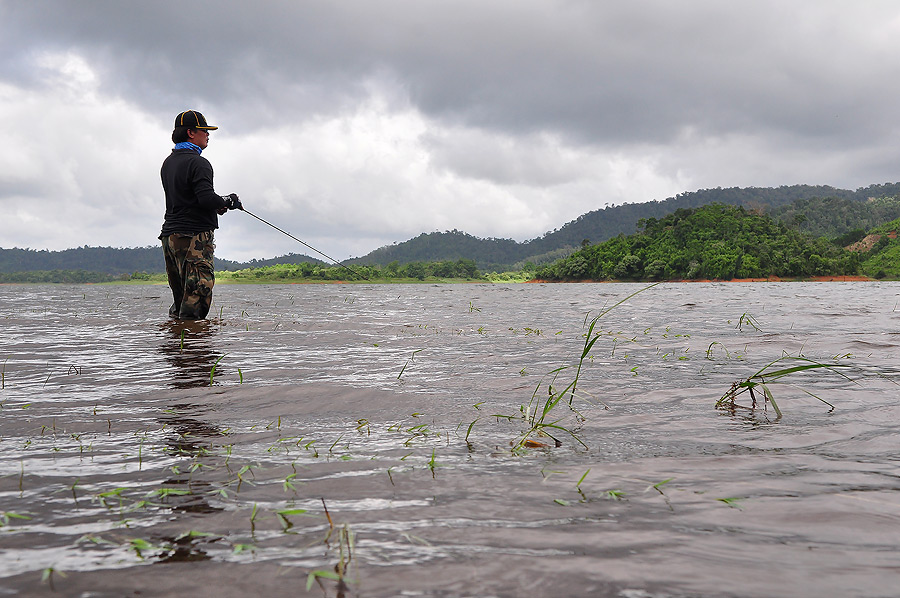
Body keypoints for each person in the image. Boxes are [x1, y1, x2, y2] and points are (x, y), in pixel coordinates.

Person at [159, 110, 242, 320]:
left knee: (180, 301)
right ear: (190, 133)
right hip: (194, 237)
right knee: (197, 296)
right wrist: (228, 201)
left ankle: (177, 347)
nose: (208, 135)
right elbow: (205, 198)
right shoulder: (199, 163)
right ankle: (195, 351)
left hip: (170, 238)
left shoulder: (169, 162)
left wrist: (215, 205)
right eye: (204, 130)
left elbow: (190, 198)